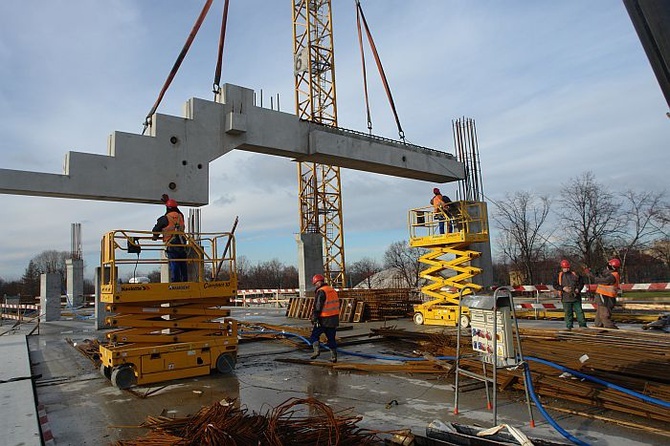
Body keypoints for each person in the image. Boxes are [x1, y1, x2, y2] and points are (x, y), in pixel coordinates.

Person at [152, 199, 188, 282]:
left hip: (172, 244)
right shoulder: (180, 216)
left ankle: (176, 281)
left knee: (174, 263)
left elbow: (156, 230)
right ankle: (185, 281)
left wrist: (155, 236)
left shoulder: (164, 218)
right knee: (183, 263)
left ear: (167, 208)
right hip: (182, 243)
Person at [308, 274, 340, 363]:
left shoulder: (321, 291)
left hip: (323, 319)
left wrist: (314, 317)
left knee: (314, 336)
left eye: (315, 284)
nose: (315, 285)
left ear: (318, 282)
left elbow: (318, 306)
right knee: (331, 338)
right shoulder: (332, 290)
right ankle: (334, 357)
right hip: (333, 319)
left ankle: (316, 351)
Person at [553, 260, 586, 330]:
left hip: (575, 297)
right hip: (565, 298)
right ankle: (569, 327)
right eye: (565, 268)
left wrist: (578, 289)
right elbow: (555, 285)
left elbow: (581, 282)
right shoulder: (559, 275)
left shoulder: (574, 274)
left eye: (567, 267)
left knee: (579, 313)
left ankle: (583, 326)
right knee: (568, 314)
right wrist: (563, 288)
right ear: (562, 267)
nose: (566, 269)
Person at [591, 258, 621, 329]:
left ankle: (610, 327)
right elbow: (603, 274)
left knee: (604, 314)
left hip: (605, 296)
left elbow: (603, 280)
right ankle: (598, 325)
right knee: (599, 312)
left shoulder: (612, 276)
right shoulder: (612, 274)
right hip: (606, 296)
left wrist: (592, 276)